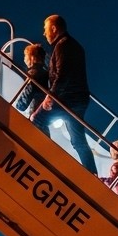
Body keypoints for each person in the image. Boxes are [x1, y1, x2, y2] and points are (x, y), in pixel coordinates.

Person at [39, 14, 97, 173]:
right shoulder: (73, 45)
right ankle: (92, 174)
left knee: (37, 119)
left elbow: (62, 74)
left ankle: (45, 160)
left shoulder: (63, 45)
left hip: (67, 99)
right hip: (79, 98)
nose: (44, 34)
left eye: (45, 29)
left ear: (53, 28)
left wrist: (50, 96)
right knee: (78, 141)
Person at [13, 44, 54, 137]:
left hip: (35, 116)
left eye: (25, 56)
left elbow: (22, 104)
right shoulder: (47, 73)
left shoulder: (34, 74)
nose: (24, 59)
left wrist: (17, 105)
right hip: (45, 115)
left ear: (31, 57)